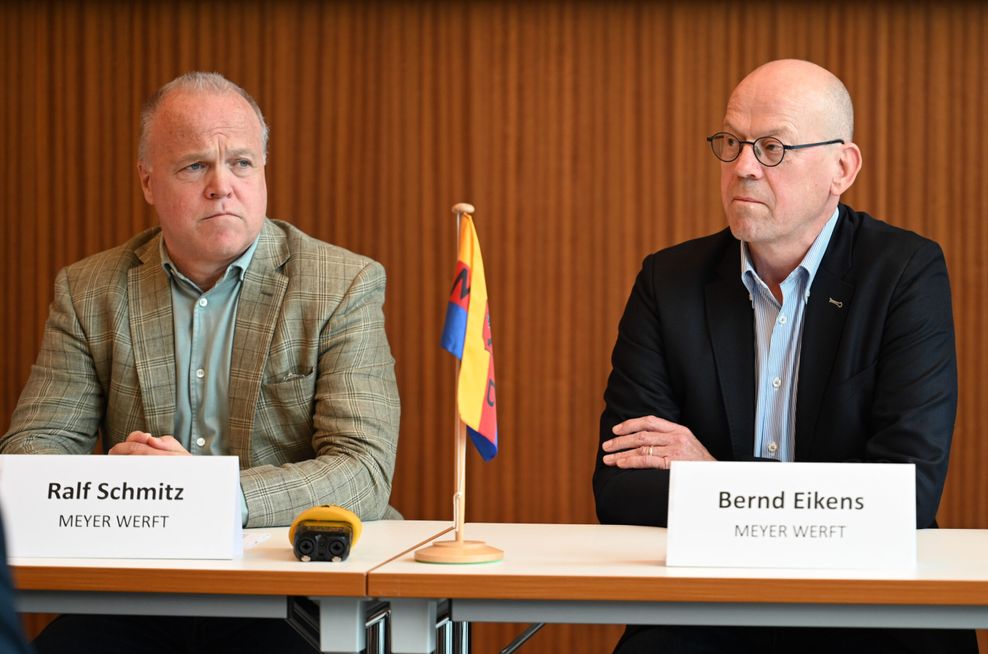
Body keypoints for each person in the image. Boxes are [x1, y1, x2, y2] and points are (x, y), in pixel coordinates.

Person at [1, 72, 400, 653]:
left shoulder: (342, 283)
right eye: (194, 166)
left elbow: (363, 470)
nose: (222, 186)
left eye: (241, 163)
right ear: (147, 181)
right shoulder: (89, 291)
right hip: (140, 593)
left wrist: (206, 497)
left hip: (294, 595)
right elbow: (27, 459)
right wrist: (124, 488)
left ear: (263, 171)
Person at [593, 59, 975, 653]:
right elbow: (621, 488)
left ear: (841, 168)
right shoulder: (668, 282)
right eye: (732, 143)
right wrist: (804, 509)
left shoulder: (903, 273)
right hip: (705, 604)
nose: (743, 167)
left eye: (772, 147)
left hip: (867, 604)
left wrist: (715, 480)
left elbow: (905, 497)